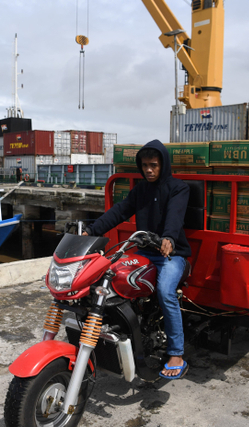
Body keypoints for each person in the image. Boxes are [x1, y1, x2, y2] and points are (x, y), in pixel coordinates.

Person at [83, 139, 191, 379]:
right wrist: (91, 231)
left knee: (165, 291)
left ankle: (176, 354)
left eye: (153, 165)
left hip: (172, 255)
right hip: (144, 252)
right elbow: (119, 211)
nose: (149, 170)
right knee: (108, 278)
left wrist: (169, 239)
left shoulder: (179, 188)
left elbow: (175, 215)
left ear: (163, 164)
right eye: (144, 165)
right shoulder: (141, 190)